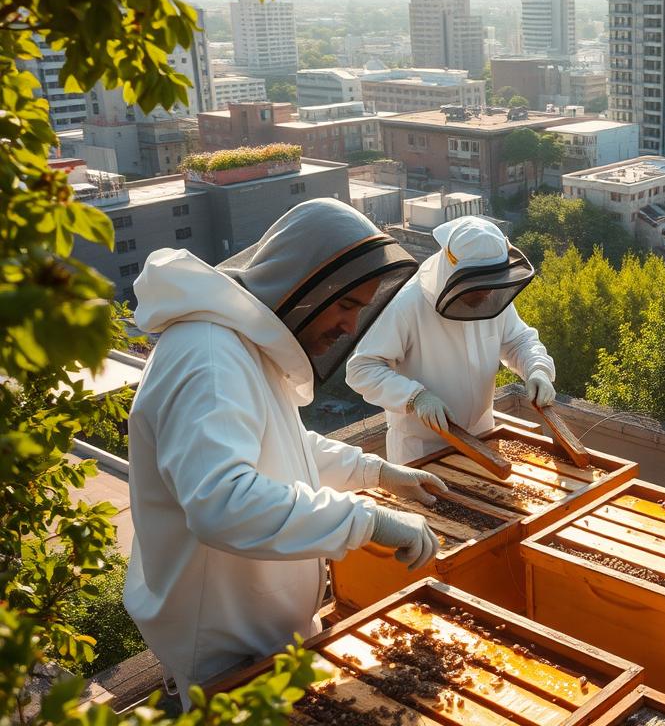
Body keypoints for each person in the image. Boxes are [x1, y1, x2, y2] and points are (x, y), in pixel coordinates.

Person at [124, 200, 452, 703]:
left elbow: (284, 447)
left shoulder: (237, 347)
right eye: (346, 306)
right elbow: (222, 501)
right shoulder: (209, 358)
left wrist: (377, 472)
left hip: (263, 638)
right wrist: (365, 522)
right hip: (224, 653)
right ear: (305, 285)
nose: (350, 326)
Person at [347, 216, 556, 464]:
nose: (487, 292)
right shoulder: (406, 304)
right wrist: (414, 397)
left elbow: (518, 341)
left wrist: (537, 369)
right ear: (453, 271)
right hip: (422, 450)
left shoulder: (489, 295)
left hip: (483, 436)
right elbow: (362, 369)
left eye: (492, 283)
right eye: (478, 286)